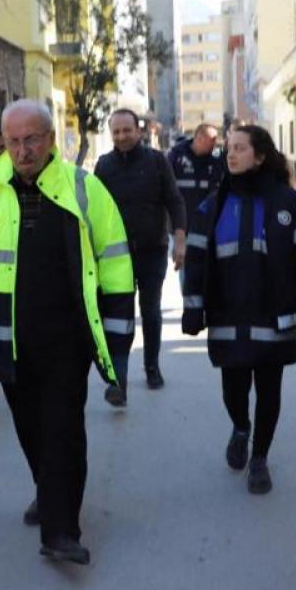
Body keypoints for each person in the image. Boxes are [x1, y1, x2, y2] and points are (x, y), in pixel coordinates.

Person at [0, 100, 133, 566]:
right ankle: (49, 492)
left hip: (68, 339)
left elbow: (116, 258)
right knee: (30, 429)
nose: (23, 150)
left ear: (50, 140)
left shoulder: (84, 188)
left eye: (33, 139)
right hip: (7, 339)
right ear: (3, 141)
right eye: (14, 140)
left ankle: (61, 529)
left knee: (63, 427)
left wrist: (119, 334)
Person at [181, 125, 296, 495]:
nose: (231, 154)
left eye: (240, 148)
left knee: (269, 390)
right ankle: (241, 427)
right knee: (233, 390)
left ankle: (259, 459)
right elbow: (195, 261)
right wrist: (194, 309)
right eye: (228, 149)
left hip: (275, 316)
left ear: (260, 155)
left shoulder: (292, 204)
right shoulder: (212, 205)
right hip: (227, 316)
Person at [94, 108, 186, 403]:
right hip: (114, 256)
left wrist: (180, 240)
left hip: (152, 250)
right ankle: (118, 380)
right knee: (118, 317)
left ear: (139, 131)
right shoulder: (104, 165)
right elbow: (94, 210)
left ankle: (152, 367)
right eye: (116, 132)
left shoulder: (157, 161)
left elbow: (174, 200)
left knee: (150, 311)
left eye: (127, 130)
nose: (122, 136)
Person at [167, 122, 224, 229]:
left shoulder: (217, 160)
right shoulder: (176, 157)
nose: (215, 144)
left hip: (206, 222)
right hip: (179, 222)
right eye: (212, 140)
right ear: (199, 139)